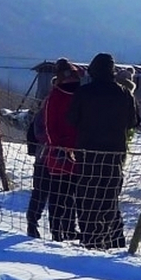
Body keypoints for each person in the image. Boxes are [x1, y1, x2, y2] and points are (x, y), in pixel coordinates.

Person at [66, 52, 140, 249]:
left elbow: (71, 119)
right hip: (114, 155)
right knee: (110, 199)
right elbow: (134, 121)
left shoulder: (84, 92)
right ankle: (115, 241)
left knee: (87, 199)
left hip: (88, 154)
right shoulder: (124, 93)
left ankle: (91, 240)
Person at [29, 60, 82, 241]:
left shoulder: (64, 98)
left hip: (62, 152)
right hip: (48, 154)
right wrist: (54, 144)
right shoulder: (51, 101)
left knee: (65, 193)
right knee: (46, 192)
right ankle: (35, 224)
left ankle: (66, 228)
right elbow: (40, 130)